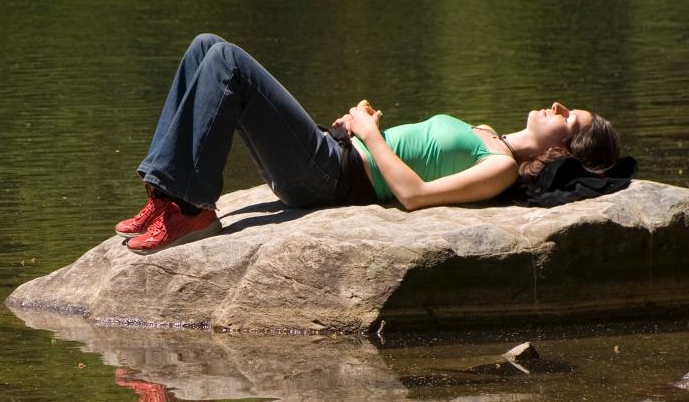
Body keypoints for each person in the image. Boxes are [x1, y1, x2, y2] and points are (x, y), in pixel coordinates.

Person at [116, 34, 623, 254]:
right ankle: (164, 195)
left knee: (226, 61)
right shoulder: (486, 133)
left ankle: (190, 206)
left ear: (562, 150)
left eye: (567, 117)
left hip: (331, 178)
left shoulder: (501, 167)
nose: (556, 106)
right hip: (330, 152)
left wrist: (371, 132)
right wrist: (359, 125)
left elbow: (414, 196)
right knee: (206, 46)